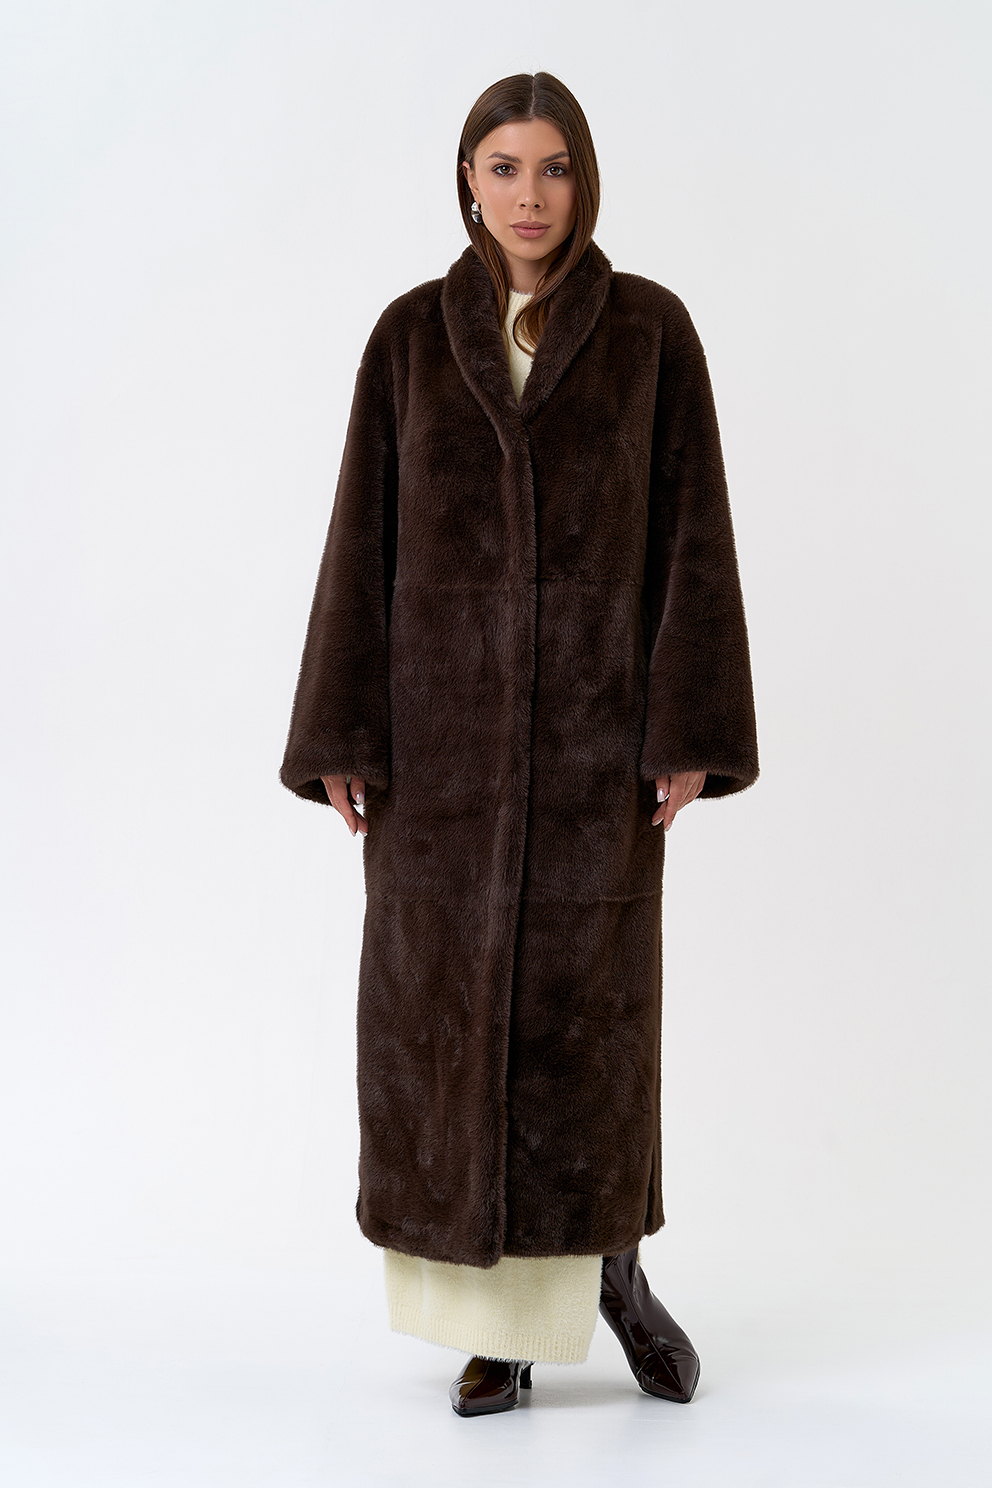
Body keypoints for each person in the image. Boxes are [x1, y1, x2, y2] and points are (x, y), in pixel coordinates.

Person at [279, 72, 759, 1418]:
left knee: (587, 1031)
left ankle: (614, 1269)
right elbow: (360, 538)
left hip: (598, 752)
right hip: (439, 756)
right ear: (468, 180)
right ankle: (498, 1330)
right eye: (504, 168)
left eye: (552, 168)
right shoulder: (409, 338)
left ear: (583, 179)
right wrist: (342, 731)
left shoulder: (652, 332)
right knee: (443, 1028)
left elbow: (695, 538)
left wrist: (688, 731)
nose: (530, 195)